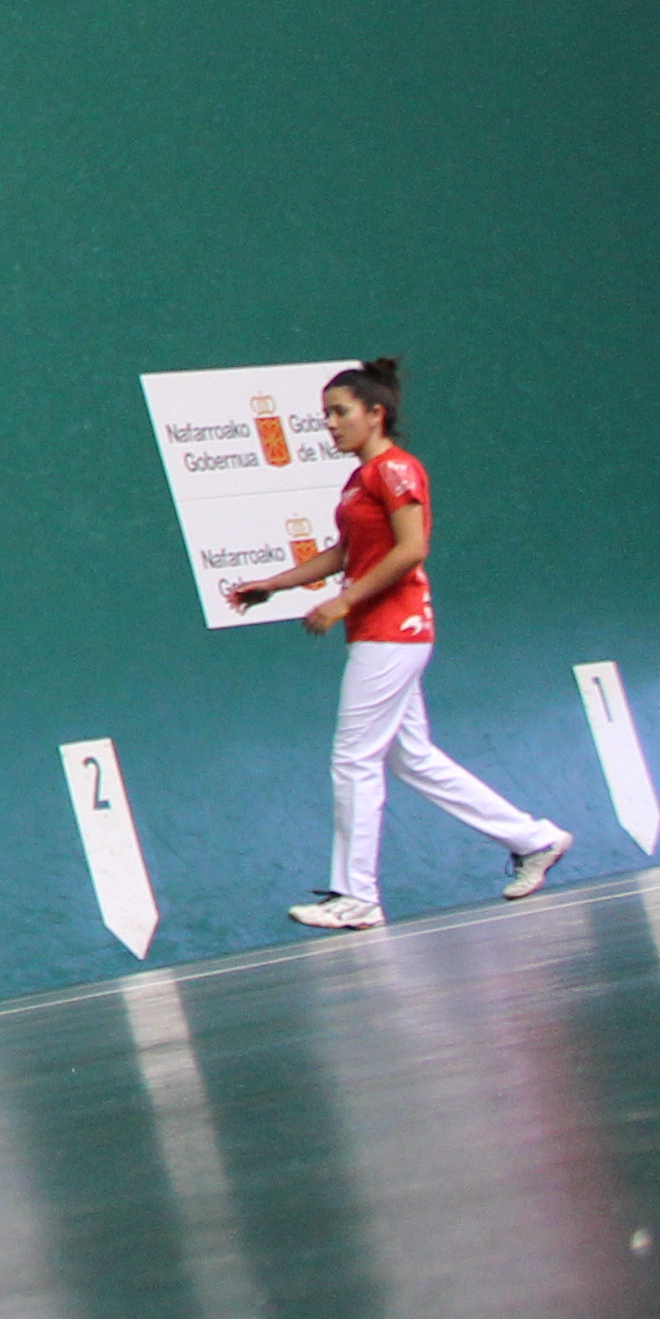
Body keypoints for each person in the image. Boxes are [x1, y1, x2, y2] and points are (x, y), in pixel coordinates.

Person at [223, 360, 567, 931]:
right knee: (412, 758)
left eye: (341, 413)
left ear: (375, 414)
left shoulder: (397, 470)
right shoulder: (361, 478)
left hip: (394, 630)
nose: (330, 425)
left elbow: (411, 549)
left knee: (354, 758)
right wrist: (273, 585)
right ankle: (536, 840)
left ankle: (356, 895)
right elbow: (343, 552)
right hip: (383, 631)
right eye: (325, 415)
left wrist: (342, 603)